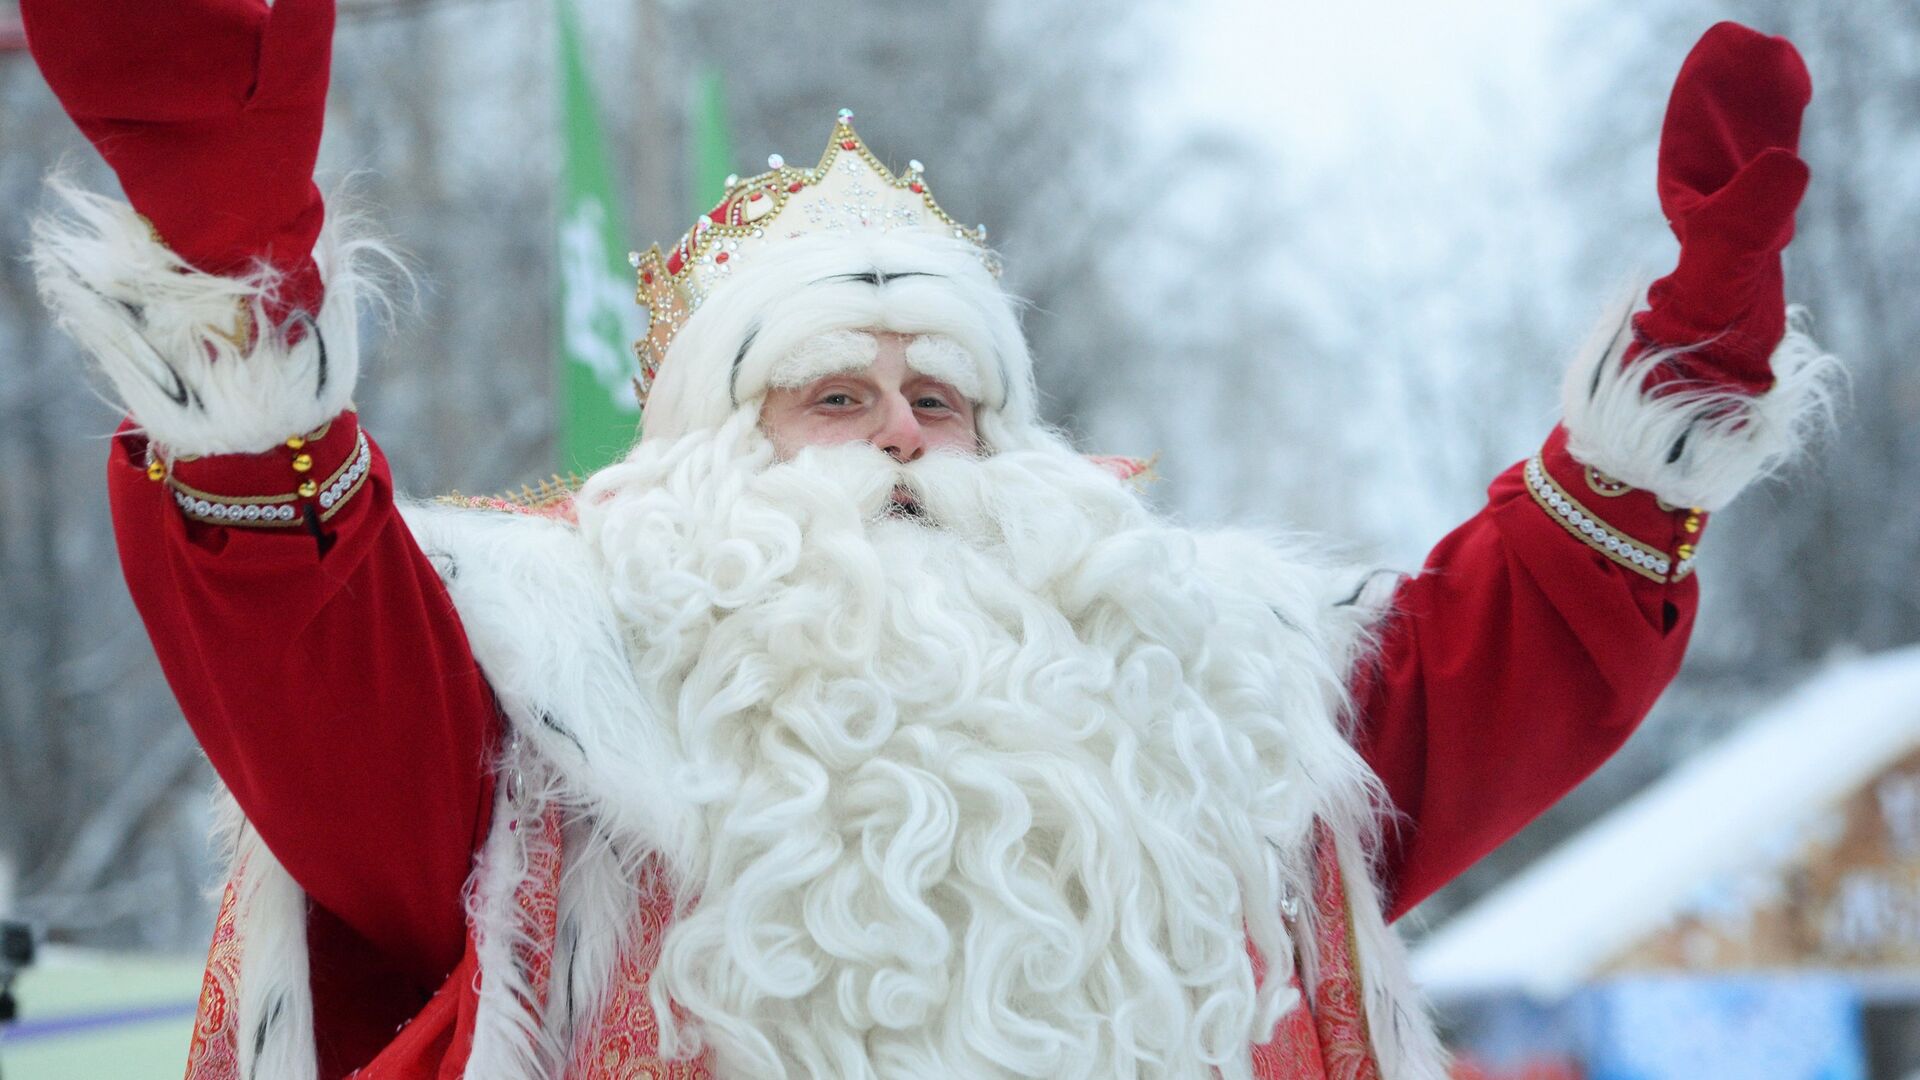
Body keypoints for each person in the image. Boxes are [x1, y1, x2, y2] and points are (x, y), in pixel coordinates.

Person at [20, 3, 1834, 1077]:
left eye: (945, 397)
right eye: (831, 393)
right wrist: (233, 297)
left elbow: (1482, 669)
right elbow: (310, 663)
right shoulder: (557, 699)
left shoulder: (1191, 690)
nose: (901, 431)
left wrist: (1665, 399)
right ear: (711, 452)